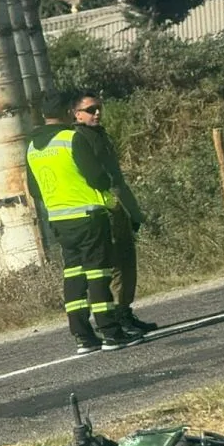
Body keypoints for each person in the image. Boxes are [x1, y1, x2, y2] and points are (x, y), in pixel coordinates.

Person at [26, 94, 143, 353]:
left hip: (59, 220)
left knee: (74, 275)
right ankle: (111, 333)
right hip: (88, 216)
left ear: (44, 115)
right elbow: (97, 177)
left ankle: (83, 336)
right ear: (69, 112)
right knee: (98, 274)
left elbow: (34, 189)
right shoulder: (72, 139)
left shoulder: (32, 146)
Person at [70, 90, 159, 336]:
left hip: (120, 203)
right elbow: (96, 178)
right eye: (90, 110)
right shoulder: (79, 139)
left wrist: (134, 213)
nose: (97, 113)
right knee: (116, 264)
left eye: (99, 108)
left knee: (127, 261)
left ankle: (124, 311)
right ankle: (116, 317)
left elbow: (118, 179)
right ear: (77, 114)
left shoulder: (100, 135)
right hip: (104, 208)